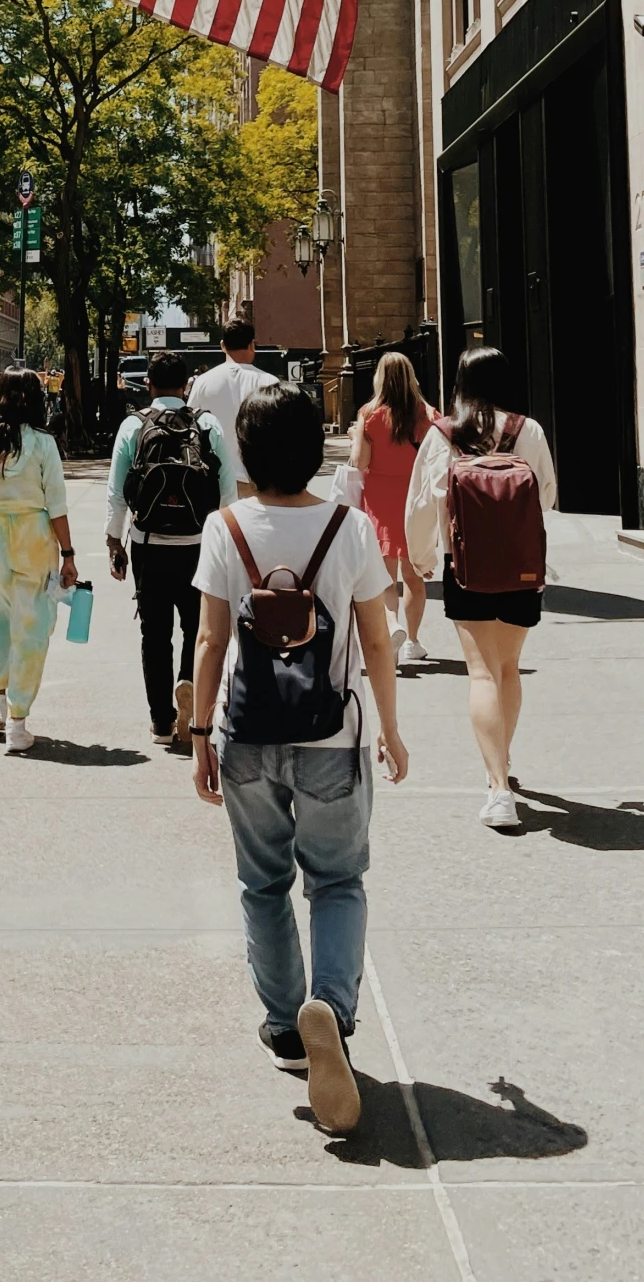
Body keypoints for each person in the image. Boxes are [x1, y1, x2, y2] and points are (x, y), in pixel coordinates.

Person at [191, 381, 407, 1135]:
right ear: (315, 448)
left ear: (245, 452)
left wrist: (197, 736)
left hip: (247, 734)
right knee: (338, 881)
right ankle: (334, 1015)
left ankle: (286, 1026)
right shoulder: (348, 528)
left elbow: (211, 641)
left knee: (262, 884)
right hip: (332, 738)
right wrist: (391, 728)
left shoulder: (226, 527)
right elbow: (378, 639)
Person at [404, 345, 557, 829]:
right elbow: (547, 497)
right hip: (522, 568)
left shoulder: (444, 434)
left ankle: (497, 788)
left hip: (465, 566)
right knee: (508, 669)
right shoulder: (525, 429)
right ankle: (503, 762)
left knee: (481, 675)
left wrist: (422, 556)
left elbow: (422, 503)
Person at [105, 350, 237, 744]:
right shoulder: (207, 424)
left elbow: (116, 494)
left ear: (148, 384)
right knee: (198, 629)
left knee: (154, 633)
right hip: (199, 544)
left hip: (149, 545)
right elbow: (227, 490)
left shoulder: (133, 426)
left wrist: (115, 542)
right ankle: (189, 689)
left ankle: (161, 721)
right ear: (186, 386)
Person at [0, 367, 76, 752]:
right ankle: (18, 722)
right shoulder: (44, 444)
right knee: (32, 626)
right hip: (34, 539)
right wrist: (69, 555)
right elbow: (56, 504)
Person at [349, 352, 437, 664]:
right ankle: (412, 640)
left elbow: (360, 463)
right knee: (414, 576)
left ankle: (391, 628)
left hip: (380, 497)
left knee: (385, 577)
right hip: (415, 499)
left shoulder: (369, 414)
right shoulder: (428, 414)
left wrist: (354, 438)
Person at [187, 317, 276, 487]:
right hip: (259, 480)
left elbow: (191, 426)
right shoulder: (269, 383)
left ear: (222, 345)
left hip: (215, 478)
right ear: (252, 345)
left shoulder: (203, 382)